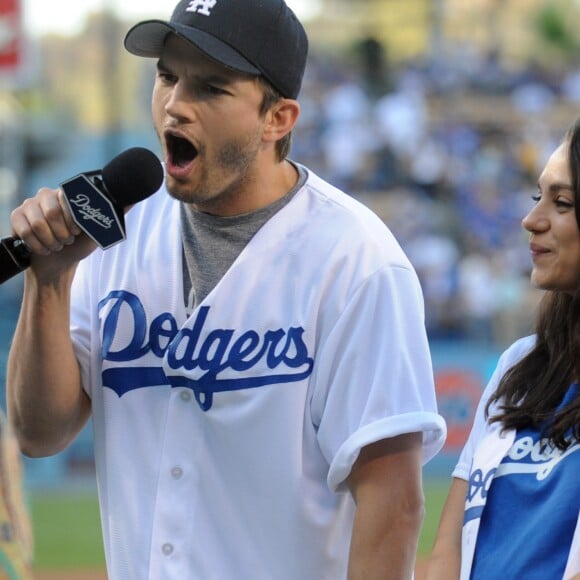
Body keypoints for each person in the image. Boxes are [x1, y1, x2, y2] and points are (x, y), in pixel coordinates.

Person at [6, 1, 446, 578]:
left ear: (278, 119)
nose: (174, 104)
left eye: (210, 89)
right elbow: (39, 432)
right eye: (166, 76)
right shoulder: (117, 235)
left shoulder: (356, 259)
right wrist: (51, 280)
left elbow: (393, 503)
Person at [426, 119, 580, 580]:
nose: (532, 220)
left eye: (563, 203)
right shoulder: (518, 366)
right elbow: (447, 551)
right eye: (539, 197)